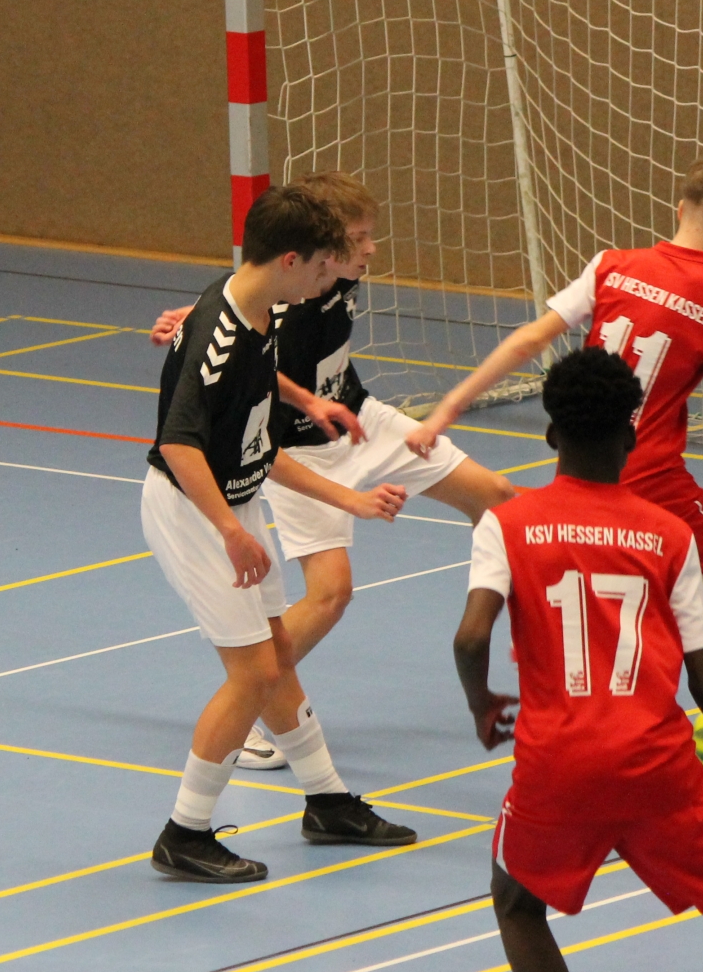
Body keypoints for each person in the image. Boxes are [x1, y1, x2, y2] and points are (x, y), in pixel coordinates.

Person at [412, 157, 703, 818]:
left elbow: (530, 339)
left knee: (620, 613)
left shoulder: (612, 265)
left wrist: (448, 409)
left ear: (680, 208)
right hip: (653, 480)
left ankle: (629, 742)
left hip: (579, 473)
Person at [452, 348, 703, 972]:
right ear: (632, 436)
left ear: (551, 434)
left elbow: (471, 639)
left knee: (516, 904)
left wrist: (483, 705)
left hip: (557, 766)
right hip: (658, 769)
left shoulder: (505, 526)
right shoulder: (669, 534)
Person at [149, 171, 519, 770]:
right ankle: (253, 703)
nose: (371, 248)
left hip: (355, 415)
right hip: (297, 449)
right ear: (319, 250)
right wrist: (195, 319)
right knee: (330, 595)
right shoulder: (292, 293)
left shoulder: (337, 275)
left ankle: (536, 640)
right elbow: (239, 328)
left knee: (499, 497)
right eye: (359, 237)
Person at [146, 183, 417, 883]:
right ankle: (184, 832)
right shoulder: (221, 336)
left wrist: (345, 491)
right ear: (292, 260)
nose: (331, 279)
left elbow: (260, 437)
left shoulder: (259, 306)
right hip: (193, 508)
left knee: (279, 654)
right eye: (325, 266)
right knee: (255, 673)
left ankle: (326, 801)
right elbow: (178, 444)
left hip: (232, 499)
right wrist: (229, 532)